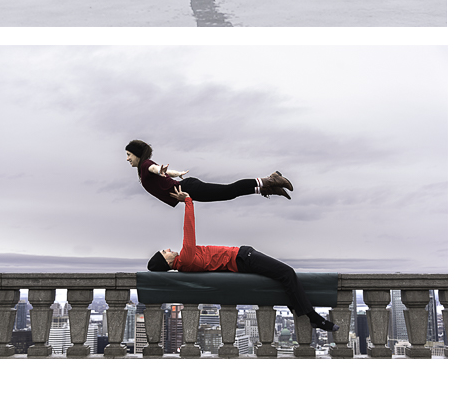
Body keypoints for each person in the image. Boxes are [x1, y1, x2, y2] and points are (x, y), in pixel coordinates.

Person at [150, 197, 337, 334]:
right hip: (243, 258)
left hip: (242, 259)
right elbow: (189, 228)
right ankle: (314, 318)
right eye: (164, 252)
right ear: (167, 262)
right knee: (287, 273)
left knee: (282, 276)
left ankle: (303, 312)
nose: (167, 249)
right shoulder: (186, 258)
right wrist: (188, 201)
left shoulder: (185, 265)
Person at [124, 139, 291, 206]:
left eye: (129, 155)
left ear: (138, 155)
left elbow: (155, 168)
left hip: (190, 189)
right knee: (229, 194)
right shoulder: (144, 169)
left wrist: (160, 169)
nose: (127, 159)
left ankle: (270, 180)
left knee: (229, 190)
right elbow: (163, 172)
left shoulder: (146, 165)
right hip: (188, 191)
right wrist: (175, 173)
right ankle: (266, 188)